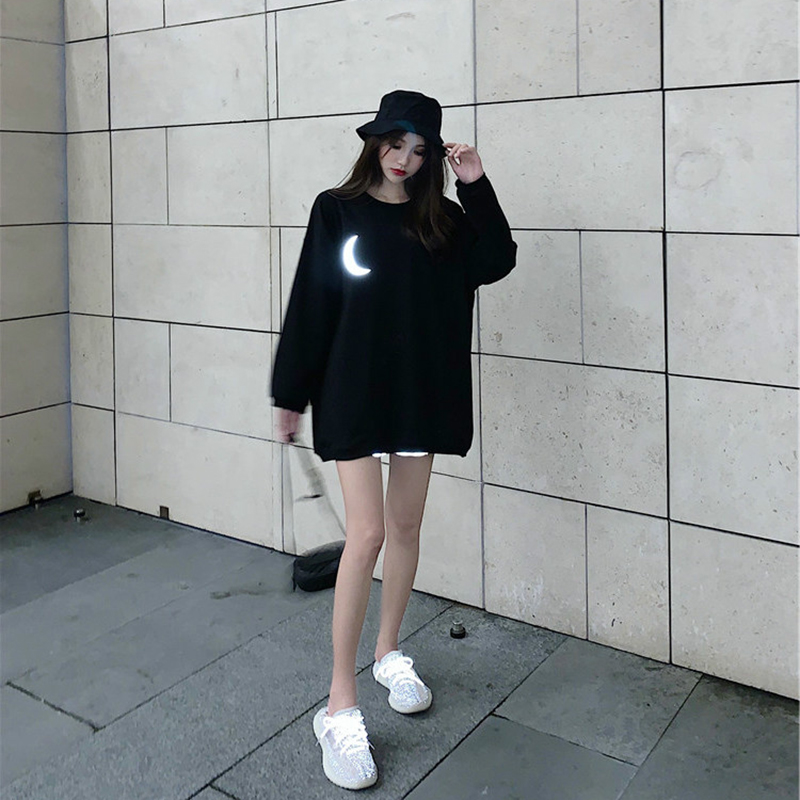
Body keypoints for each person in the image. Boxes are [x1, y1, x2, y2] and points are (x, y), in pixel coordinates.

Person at [270, 89, 517, 790]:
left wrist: (476, 184)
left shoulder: (443, 222)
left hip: (419, 394)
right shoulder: (337, 210)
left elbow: (498, 257)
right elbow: (311, 301)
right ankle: (338, 705)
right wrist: (290, 393)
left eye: (417, 148)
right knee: (369, 533)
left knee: (406, 526)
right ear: (375, 142)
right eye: (394, 143)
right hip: (352, 390)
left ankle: (387, 654)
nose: (404, 158)